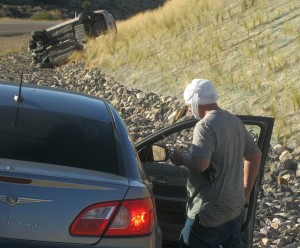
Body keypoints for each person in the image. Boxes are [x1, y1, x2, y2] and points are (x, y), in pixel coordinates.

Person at [170, 79, 262, 248]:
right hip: (234, 207)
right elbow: (255, 154)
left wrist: (179, 157)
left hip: (209, 212)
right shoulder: (234, 121)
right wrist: (246, 190)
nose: (190, 110)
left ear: (197, 101)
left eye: (190, 105)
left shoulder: (204, 125)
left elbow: (200, 165)